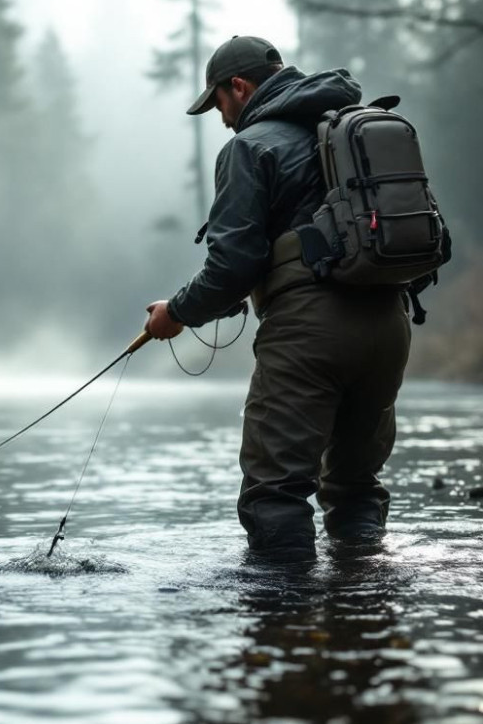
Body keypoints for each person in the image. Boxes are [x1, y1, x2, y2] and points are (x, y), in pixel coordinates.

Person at [142, 35, 412, 563]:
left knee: (276, 491)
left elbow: (231, 268)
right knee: (356, 485)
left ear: (238, 86)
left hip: (310, 332)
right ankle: (364, 615)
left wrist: (174, 313)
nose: (220, 116)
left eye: (218, 101)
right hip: (389, 323)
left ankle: (282, 630)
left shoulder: (249, 146)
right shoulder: (348, 128)